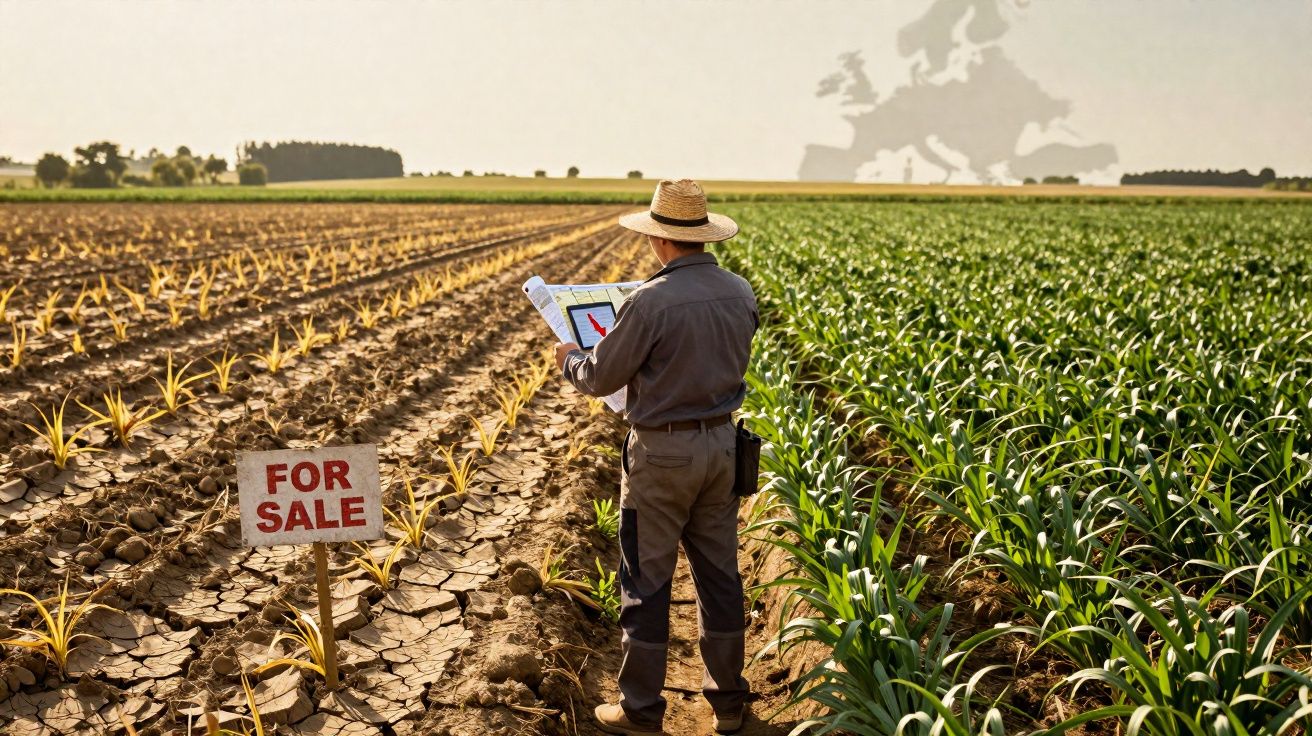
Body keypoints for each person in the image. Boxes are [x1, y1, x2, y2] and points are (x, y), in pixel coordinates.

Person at [554, 179, 758, 735]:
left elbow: (600, 377)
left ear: (660, 239)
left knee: (646, 581)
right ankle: (729, 704)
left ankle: (641, 709)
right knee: (720, 577)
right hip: (723, 446)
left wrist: (570, 358)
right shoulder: (740, 290)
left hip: (662, 454)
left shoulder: (649, 301)